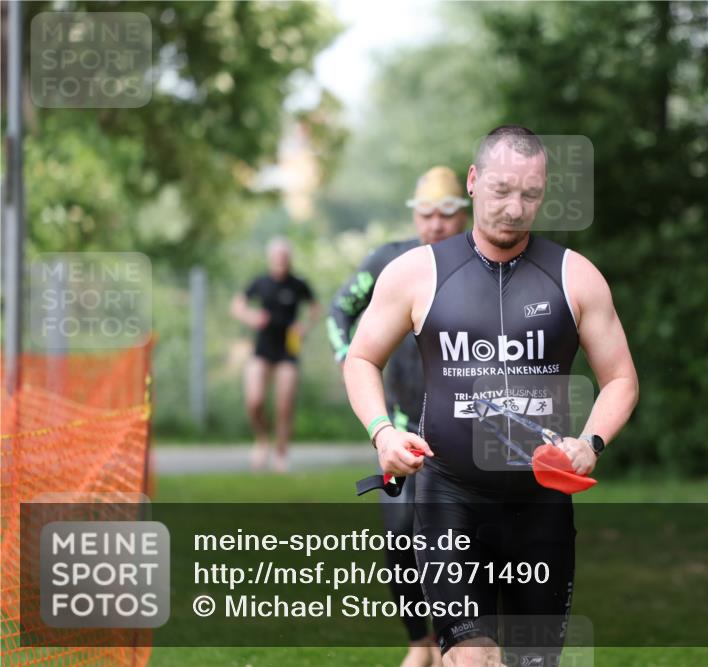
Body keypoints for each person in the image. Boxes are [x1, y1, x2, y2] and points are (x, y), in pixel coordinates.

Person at [343, 126, 639, 667]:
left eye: (529, 194)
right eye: (502, 190)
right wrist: (381, 432)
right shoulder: (416, 272)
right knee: (471, 660)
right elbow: (362, 358)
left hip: (540, 505)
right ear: (474, 183)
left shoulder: (575, 277)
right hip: (450, 498)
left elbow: (621, 378)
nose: (514, 207)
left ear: (543, 192)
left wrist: (591, 442)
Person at [328, 166, 468, 667]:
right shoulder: (390, 259)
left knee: (469, 541)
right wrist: (351, 360)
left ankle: (462, 643)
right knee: (399, 536)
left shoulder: (480, 263)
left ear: (465, 215)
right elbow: (339, 308)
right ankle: (420, 643)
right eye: (426, 214)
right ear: (414, 213)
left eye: (447, 214)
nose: (435, 225)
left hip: (466, 432)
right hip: (403, 426)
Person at [230, 237, 320, 473]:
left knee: (284, 405)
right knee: (255, 401)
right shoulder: (260, 282)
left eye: (284, 256)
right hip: (262, 350)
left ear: (289, 259)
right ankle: (262, 439)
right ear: (270, 259)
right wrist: (251, 316)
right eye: (276, 256)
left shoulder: (298, 284)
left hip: (288, 351)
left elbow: (315, 308)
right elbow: (237, 305)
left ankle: (281, 452)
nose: (280, 260)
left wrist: (304, 326)